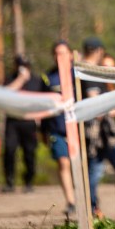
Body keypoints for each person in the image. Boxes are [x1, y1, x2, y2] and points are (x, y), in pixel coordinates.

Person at [79, 38, 115, 219]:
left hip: (108, 132)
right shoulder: (88, 71)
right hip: (95, 132)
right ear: (99, 51)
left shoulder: (94, 73)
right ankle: (93, 208)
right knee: (94, 170)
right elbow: (96, 104)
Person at [40, 40, 77, 218]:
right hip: (57, 129)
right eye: (56, 53)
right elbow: (43, 106)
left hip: (78, 129)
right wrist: (42, 130)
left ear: (71, 54)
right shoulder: (48, 77)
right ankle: (71, 201)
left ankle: (88, 199)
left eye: (62, 53)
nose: (58, 56)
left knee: (79, 165)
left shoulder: (78, 74)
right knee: (63, 163)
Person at [2, 54, 44, 193]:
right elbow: (4, 94)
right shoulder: (10, 79)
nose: (23, 68)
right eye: (20, 66)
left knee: (29, 153)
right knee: (9, 151)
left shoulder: (37, 80)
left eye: (26, 66)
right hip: (13, 121)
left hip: (30, 122)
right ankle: (9, 182)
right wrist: (20, 80)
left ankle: (29, 181)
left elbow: (42, 100)